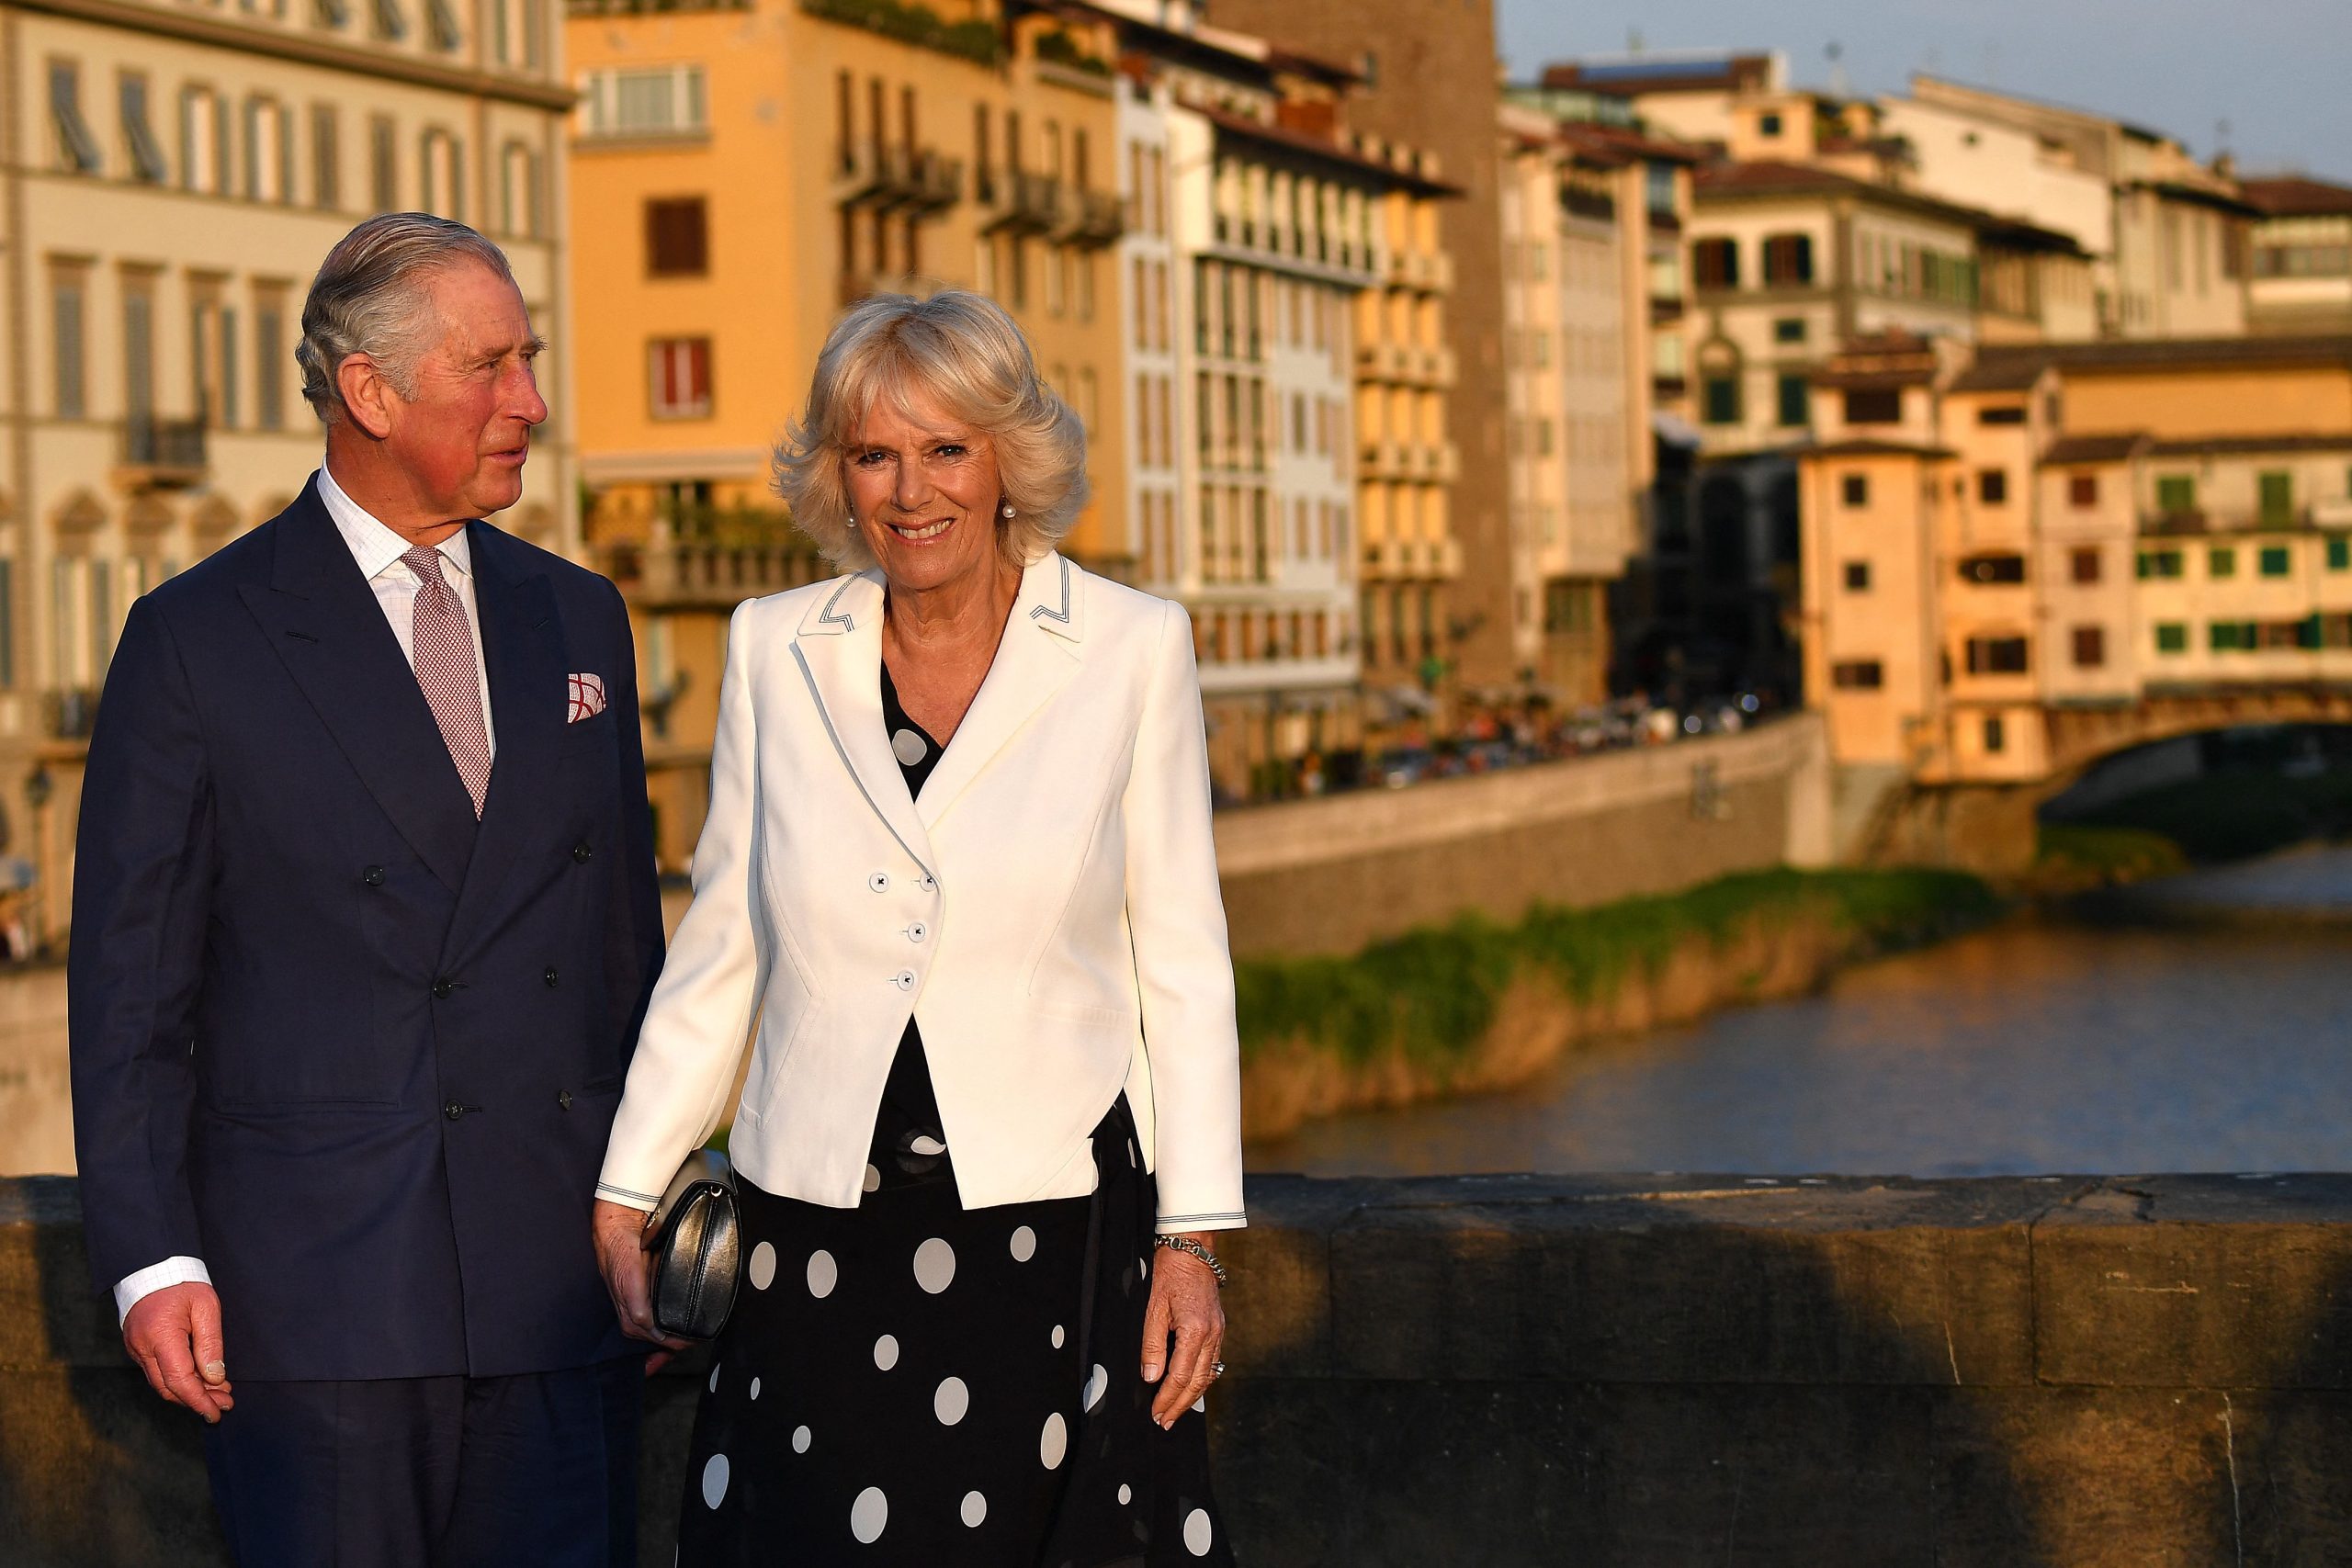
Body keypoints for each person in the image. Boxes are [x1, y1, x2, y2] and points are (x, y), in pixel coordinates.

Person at [593, 289, 1245, 1565]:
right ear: (839, 475)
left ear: (1009, 459)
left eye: (946, 449)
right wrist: (630, 1186)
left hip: (1051, 1235)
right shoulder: (776, 648)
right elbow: (726, 941)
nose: (909, 490)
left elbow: (1182, 961)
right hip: (815, 1237)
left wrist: (1197, 1243)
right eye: (874, 455)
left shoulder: (1129, 647)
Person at [68, 213, 664, 1568]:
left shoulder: (580, 617)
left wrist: (648, 1218)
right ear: (371, 394)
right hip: (317, 1304)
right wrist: (155, 1258)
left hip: (557, 1294)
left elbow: (628, 960)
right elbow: (129, 994)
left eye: (530, 358)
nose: (532, 401)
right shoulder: (195, 638)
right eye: (491, 367)